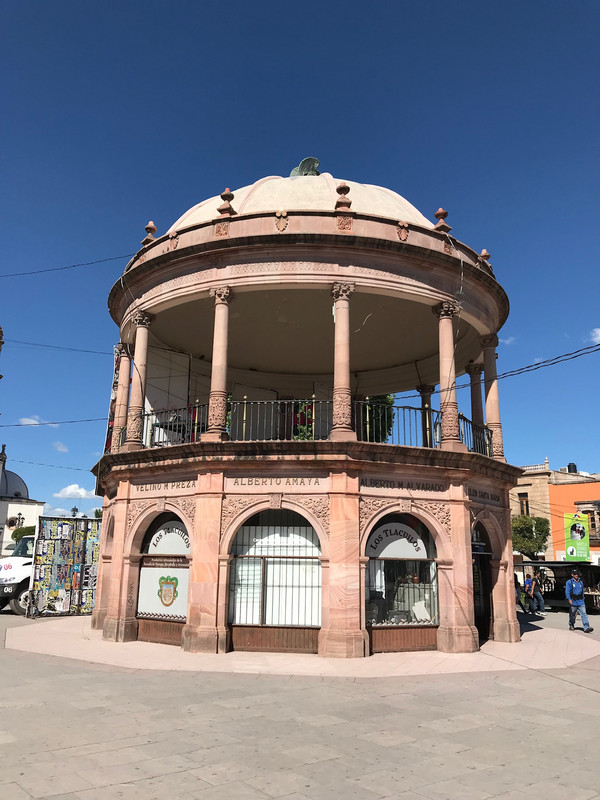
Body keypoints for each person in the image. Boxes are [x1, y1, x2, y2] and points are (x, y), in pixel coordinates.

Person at [566, 568, 594, 633]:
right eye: (575, 574)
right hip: (573, 601)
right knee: (572, 614)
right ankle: (571, 624)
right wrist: (569, 599)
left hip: (581, 601)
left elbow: (582, 592)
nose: (576, 575)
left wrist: (583, 598)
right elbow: (567, 591)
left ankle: (586, 627)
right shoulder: (569, 582)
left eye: (577, 574)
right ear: (572, 575)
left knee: (584, 613)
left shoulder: (580, 582)